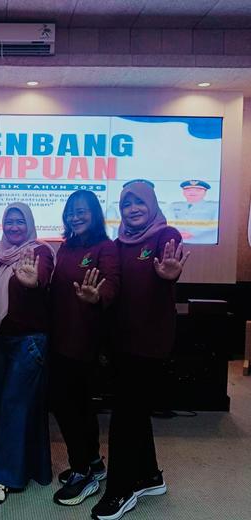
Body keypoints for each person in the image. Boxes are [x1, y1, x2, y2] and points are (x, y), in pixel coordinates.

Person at [91, 180, 190, 520]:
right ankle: (149, 476)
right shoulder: (118, 243)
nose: (132, 209)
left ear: (152, 204)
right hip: (120, 341)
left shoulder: (165, 235)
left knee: (124, 417)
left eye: (139, 202)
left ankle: (121, 490)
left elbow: (170, 268)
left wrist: (170, 275)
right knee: (133, 410)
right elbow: (114, 286)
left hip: (149, 343)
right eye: (126, 204)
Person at [50, 190, 120, 507]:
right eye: (71, 212)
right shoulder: (66, 247)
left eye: (82, 211)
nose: (75, 217)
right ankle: (92, 462)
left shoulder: (105, 247)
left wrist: (98, 296)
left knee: (73, 408)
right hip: (60, 338)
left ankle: (82, 474)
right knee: (75, 406)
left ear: (94, 214)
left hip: (85, 342)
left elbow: (112, 284)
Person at [0, 202, 55, 506]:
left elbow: (43, 277)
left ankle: (4, 477)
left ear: (30, 224)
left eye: (20, 221)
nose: (14, 227)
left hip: (29, 342)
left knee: (14, 407)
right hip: (1, 341)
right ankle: (32, 467)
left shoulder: (40, 252)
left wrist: (33, 281)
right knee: (4, 406)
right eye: (9, 221)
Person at [168, 179, 218, 244]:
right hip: (179, 242)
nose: (192, 193)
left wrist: (193, 233)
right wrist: (177, 232)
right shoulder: (174, 206)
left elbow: (216, 224)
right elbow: (169, 221)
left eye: (198, 190)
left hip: (205, 243)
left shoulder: (215, 206)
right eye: (188, 190)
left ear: (205, 192)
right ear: (183, 192)